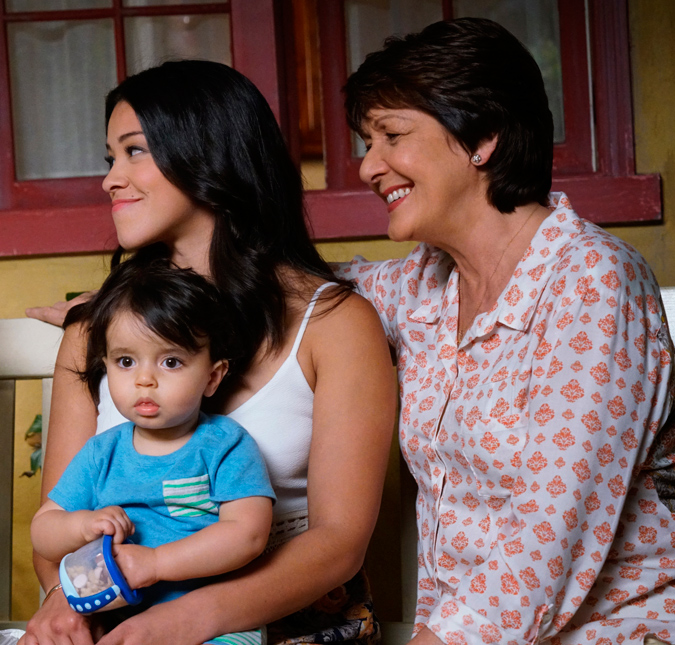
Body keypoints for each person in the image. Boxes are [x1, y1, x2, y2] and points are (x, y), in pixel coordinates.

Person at [22, 60, 396, 645]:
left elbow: (338, 543)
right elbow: (59, 524)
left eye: (134, 151)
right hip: (120, 611)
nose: (111, 179)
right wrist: (63, 602)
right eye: (109, 158)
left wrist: (183, 622)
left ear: (208, 154)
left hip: (285, 621)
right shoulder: (95, 330)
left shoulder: (334, 324)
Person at [339, 17, 675, 645]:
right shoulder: (423, 284)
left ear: (483, 137)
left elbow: (546, 535)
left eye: (391, 136)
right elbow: (312, 290)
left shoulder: (592, 279)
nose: (368, 166)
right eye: (367, 141)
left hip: (617, 629)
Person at [31, 255, 276, 645]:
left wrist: (157, 563)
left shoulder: (224, 445)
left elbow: (247, 535)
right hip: (113, 620)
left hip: (211, 624)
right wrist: (82, 526)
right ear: (106, 366)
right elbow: (43, 530)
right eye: (126, 361)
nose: (144, 379)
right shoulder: (101, 453)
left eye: (171, 362)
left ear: (212, 377)